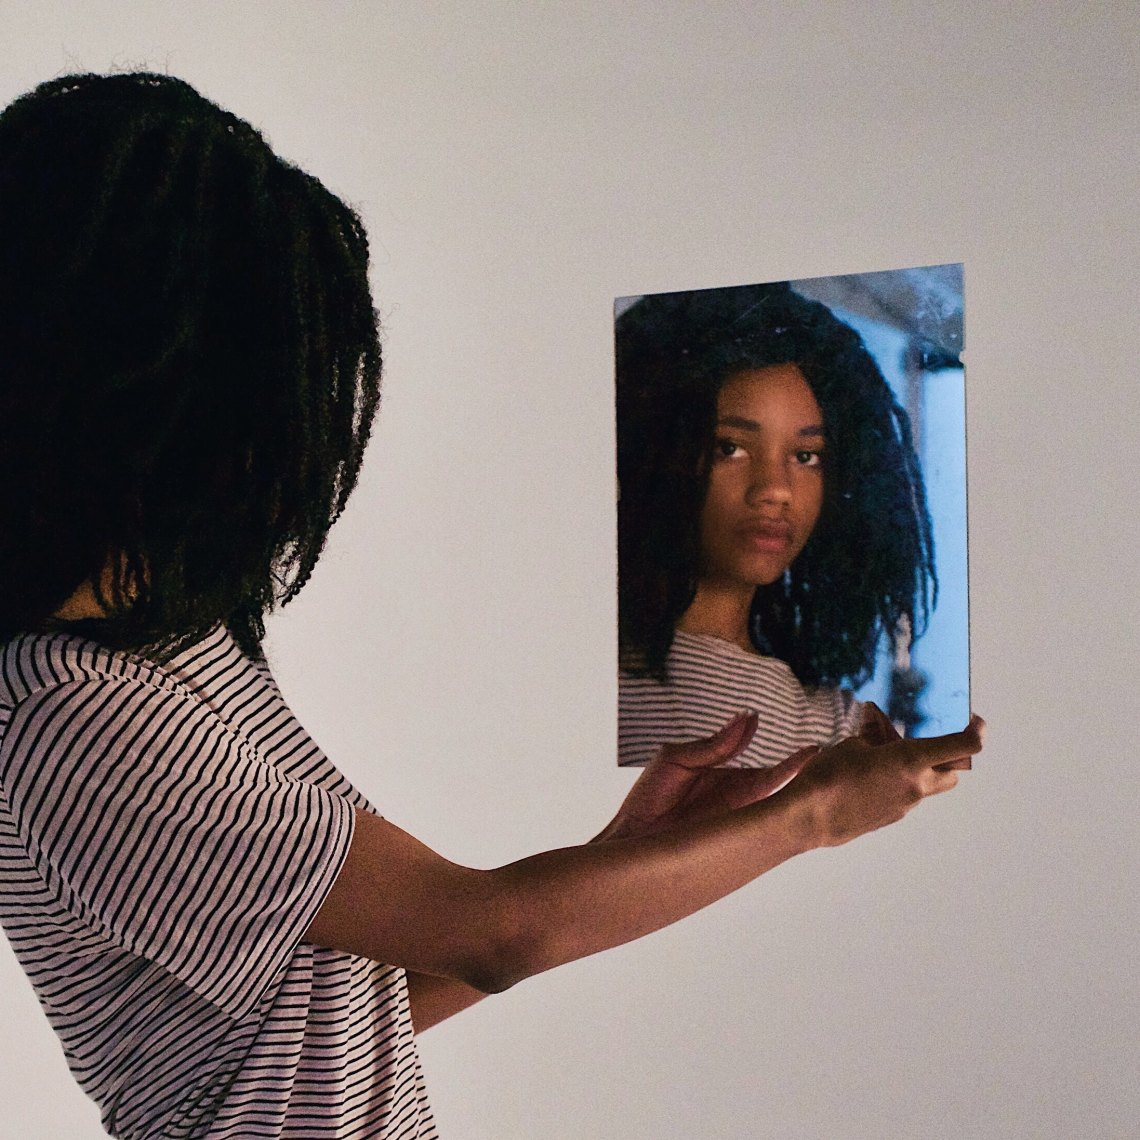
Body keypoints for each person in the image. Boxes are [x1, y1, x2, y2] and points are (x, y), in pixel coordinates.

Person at [0, 73, 983, 1140]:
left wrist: (620, 851)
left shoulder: (175, 641)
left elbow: (332, 1019)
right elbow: (493, 931)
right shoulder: (71, 711)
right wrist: (815, 816)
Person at [616, 283, 937, 767]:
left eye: (806, 456)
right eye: (731, 448)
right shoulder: (591, 681)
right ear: (654, 452)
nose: (776, 488)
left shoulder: (838, 728)